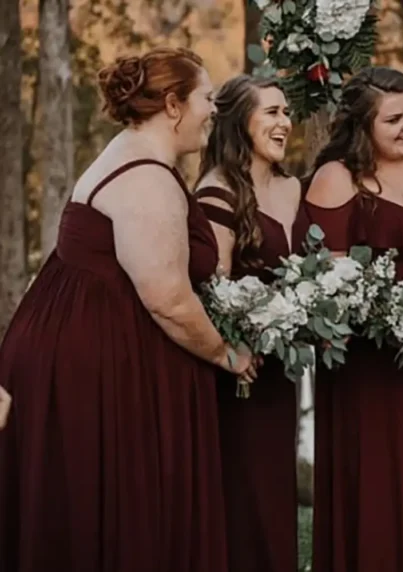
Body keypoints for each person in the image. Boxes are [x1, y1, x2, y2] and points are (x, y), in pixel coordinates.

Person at [0, 47, 253, 572]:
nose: (214, 110)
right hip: (93, 367)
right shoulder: (147, 179)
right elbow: (169, 300)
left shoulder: (135, 153)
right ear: (172, 104)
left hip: (85, 350)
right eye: (207, 98)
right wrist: (228, 356)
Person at [304, 66, 403, 572]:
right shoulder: (337, 177)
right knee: (376, 479)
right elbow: (326, 284)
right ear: (361, 124)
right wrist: (384, 314)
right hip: (366, 362)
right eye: (392, 118)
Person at [194, 74, 309, 572]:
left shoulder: (293, 187)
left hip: (281, 369)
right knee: (244, 492)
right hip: (237, 370)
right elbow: (213, 291)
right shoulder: (217, 190)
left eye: (286, 112)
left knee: (276, 489)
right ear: (241, 121)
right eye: (272, 113)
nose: (285, 123)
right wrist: (235, 351)